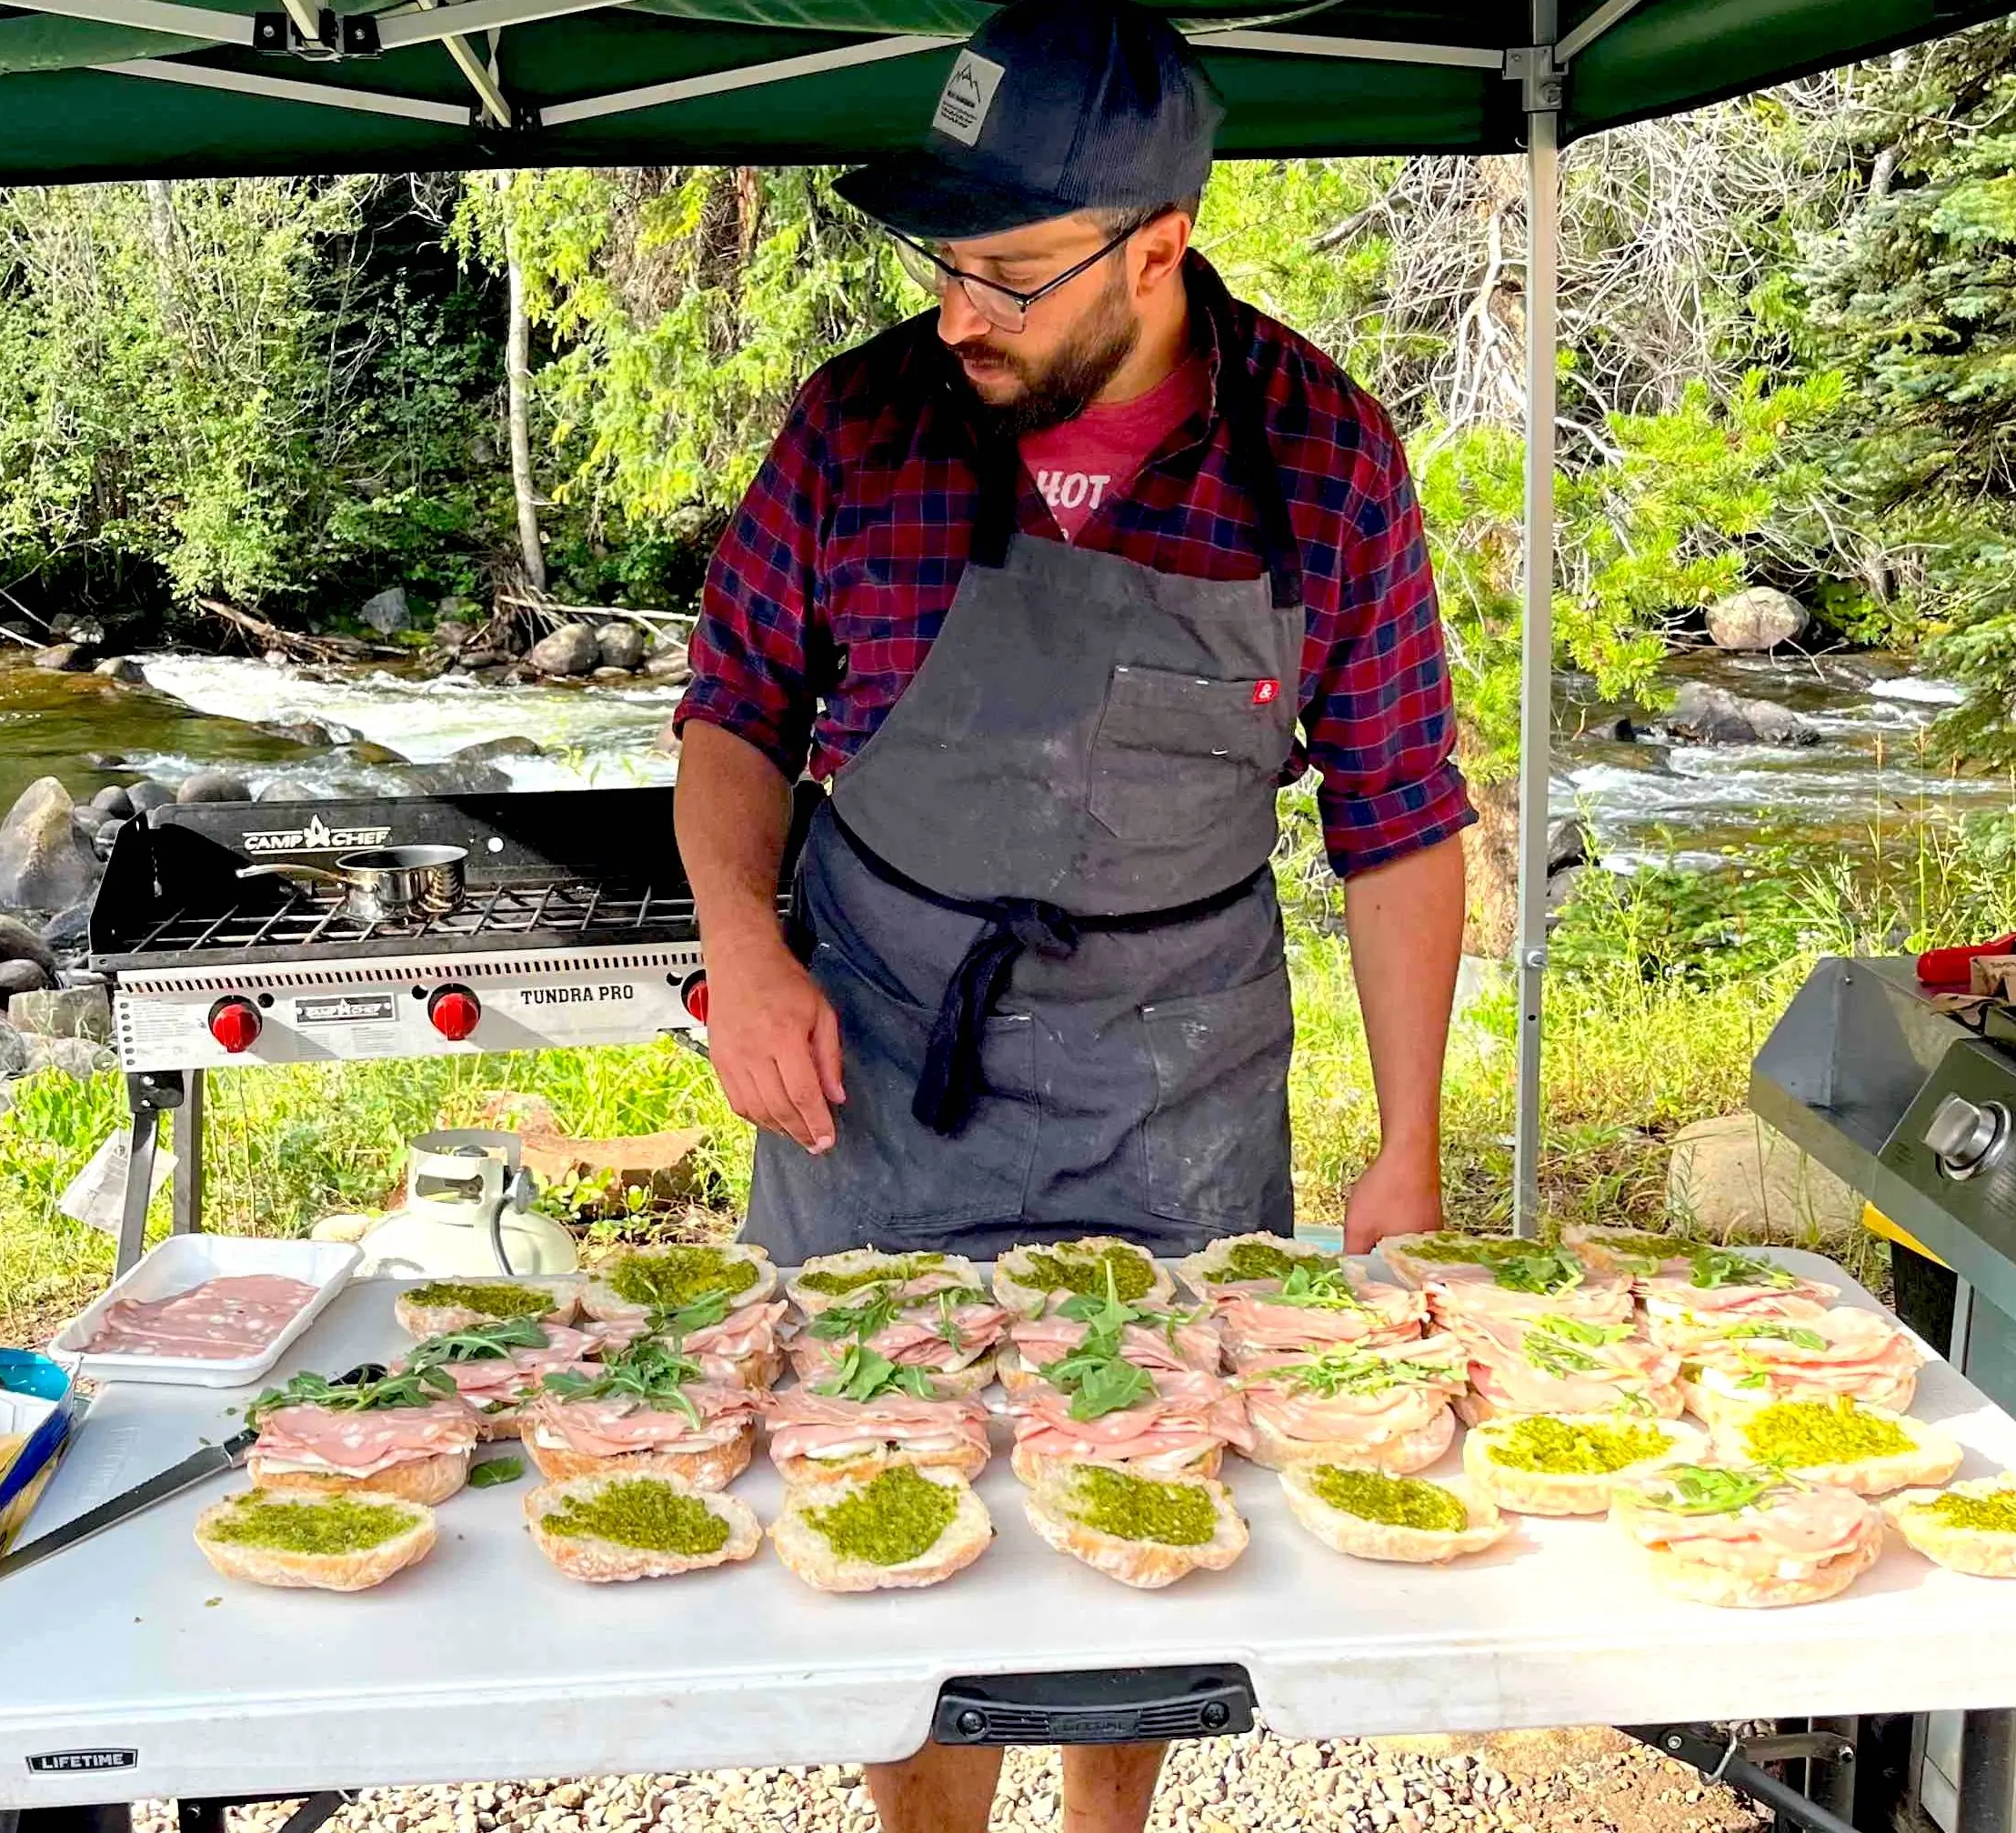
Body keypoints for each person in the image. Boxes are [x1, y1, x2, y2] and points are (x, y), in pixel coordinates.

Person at [672, 2, 1471, 1827]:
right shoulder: (857, 429)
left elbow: (1402, 817)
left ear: (1163, 244)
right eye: (945, 263)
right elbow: (733, 716)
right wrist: (746, 940)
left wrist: (1407, 1140)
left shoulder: (1324, 461)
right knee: (883, 1509)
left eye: (1012, 273)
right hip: (875, 1055)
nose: (960, 313)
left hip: (1173, 1075)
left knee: (1152, 1484)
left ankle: (1113, 1813)